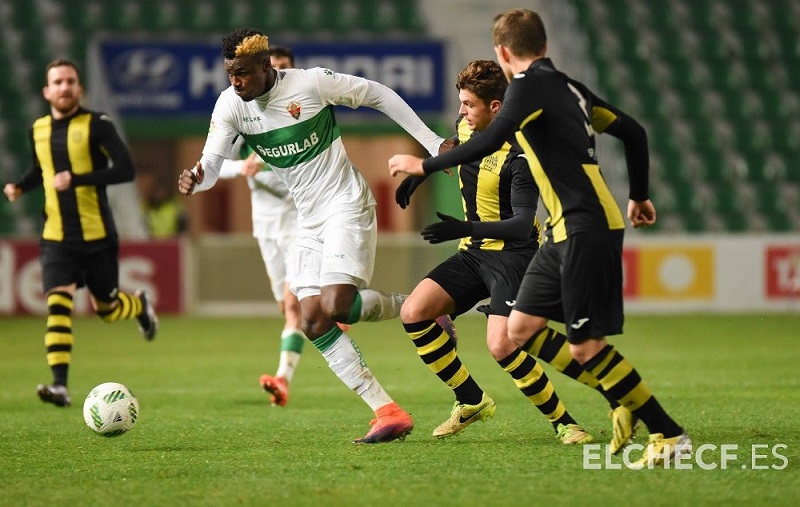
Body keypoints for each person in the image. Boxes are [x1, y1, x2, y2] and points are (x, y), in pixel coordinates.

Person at [389, 9, 690, 467]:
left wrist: (422, 165)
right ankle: (621, 402)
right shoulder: (567, 86)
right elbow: (634, 132)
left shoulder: (526, 88)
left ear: (503, 53)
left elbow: (492, 143)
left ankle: (666, 431)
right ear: (544, 45)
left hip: (585, 225)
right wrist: (640, 195)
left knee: (585, 346)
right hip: (565, 229)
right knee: (520, 331)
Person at [178, 28, 451, 443]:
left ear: (266, 66)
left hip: (345, 204)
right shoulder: (231, 104)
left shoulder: (310, 83)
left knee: (337, 305)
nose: (235, 82)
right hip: (309, 219)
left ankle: (421, 307)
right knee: (311, 319)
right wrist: (196, 178)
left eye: (243, 74)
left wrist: (431, 142)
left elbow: (377, 93)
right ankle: (387, 410)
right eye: (230, 74)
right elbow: (211, 166)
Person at [396, 59, 593, 444]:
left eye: (468, 104)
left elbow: (522, 223)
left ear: (496, 108)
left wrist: (462, 227)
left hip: (515, 255)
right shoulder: (466, 128)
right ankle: (470, 400)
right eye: (461, 103)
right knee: (414, 312)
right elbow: (457, 150)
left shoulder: (522, 153)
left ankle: (565, 423)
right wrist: (424, 174)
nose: (461, 112)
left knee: (501, 345)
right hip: (475, 252)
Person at [3, 59, 158, 408]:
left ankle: (139, 305)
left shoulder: (97, 125)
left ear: (80, 88)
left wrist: (78, 179)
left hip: (98, 235)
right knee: (58, 302)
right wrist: (20, 186)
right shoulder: (38, 129)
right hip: (57, 236)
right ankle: (60, 385)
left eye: (70, 81)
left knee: (107, 308)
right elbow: (40, 170)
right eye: (57, 82)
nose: (64, 87)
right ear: (47, 91)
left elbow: (126, 170)